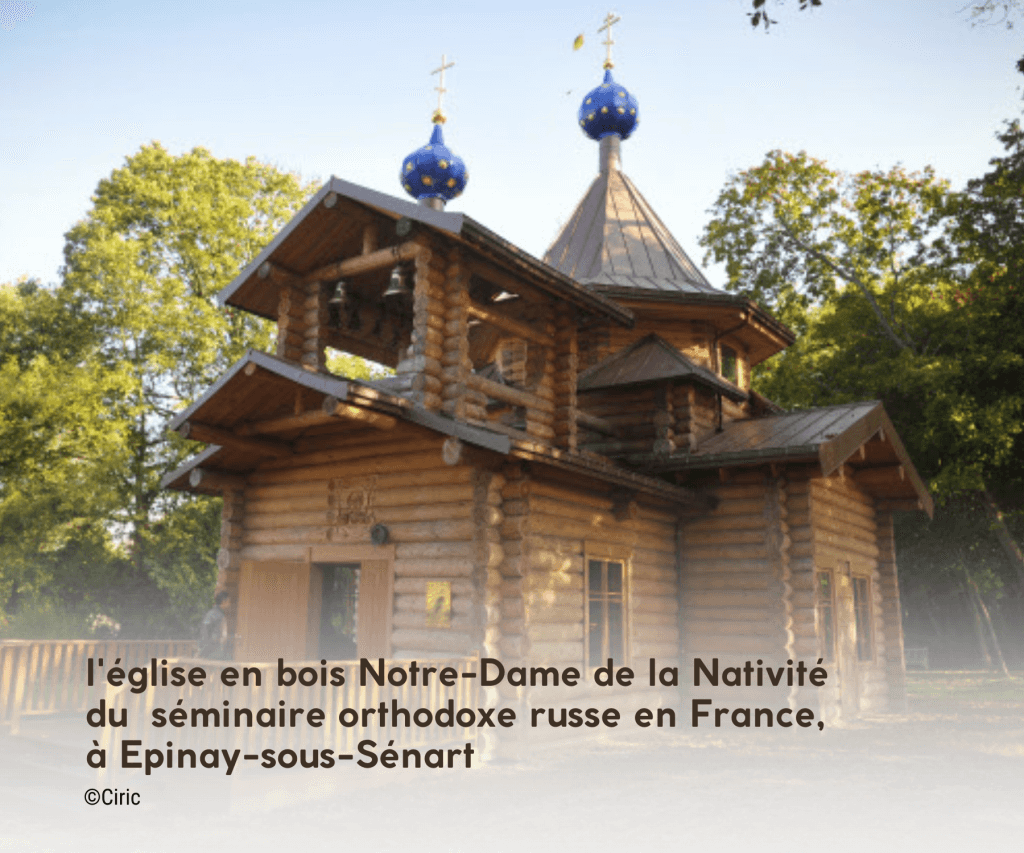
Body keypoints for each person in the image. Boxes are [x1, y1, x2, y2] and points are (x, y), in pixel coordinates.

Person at [198, 590, 230, 659]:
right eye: (228, 601)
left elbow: (203, 631)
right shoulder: (218, 615)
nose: (229, 604)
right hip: (214, 651)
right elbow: (206, 632)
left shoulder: (211, 613)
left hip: (209, 650)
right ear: (224, 601)